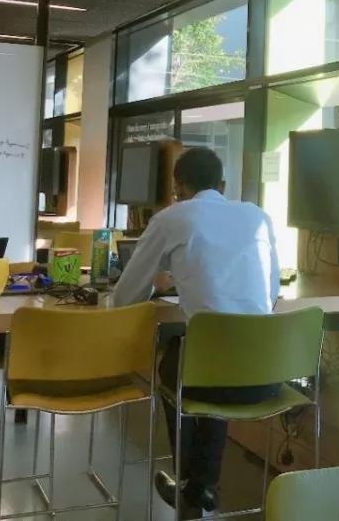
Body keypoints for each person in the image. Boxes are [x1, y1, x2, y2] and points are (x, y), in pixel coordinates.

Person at [113, 146, 280, 517]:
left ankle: (191, 486)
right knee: (207, 359)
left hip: (209, 375)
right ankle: (201, 486)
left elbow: (125, 298)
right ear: (223, 185)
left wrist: (158, 285)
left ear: (178, 187)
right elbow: (270, 295)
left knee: (177, 366)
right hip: (267, 374)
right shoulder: (257, 216)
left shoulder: (172, 218)